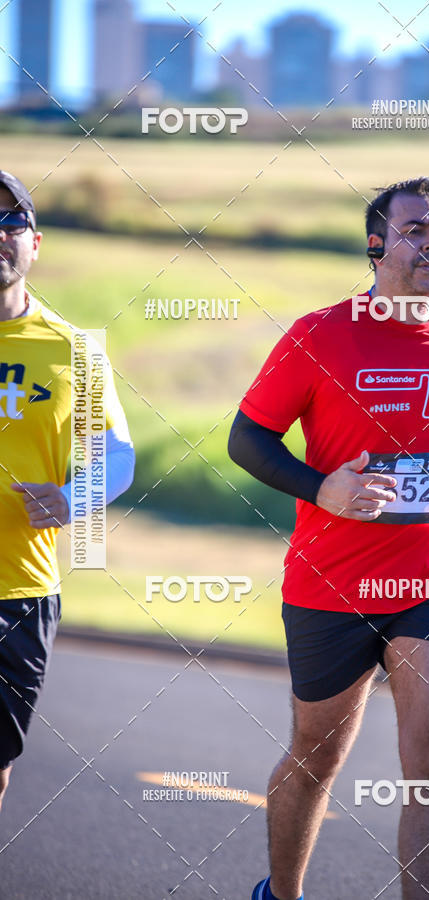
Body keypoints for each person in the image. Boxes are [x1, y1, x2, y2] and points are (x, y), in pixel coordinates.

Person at [229, 176, 429, 900]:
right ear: (375, 243)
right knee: (316, 756)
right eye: (417, 229)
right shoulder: (319, 333)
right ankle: (282, 893)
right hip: (333, 582)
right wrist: (322, 487)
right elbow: (247, 438)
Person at [0, 171, 135, 811]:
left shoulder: (71, 350)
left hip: (21, 590)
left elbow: (116, 456)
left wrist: (74, 498)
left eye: (10, 222)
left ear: (35, 242)